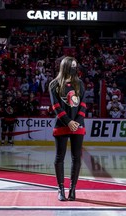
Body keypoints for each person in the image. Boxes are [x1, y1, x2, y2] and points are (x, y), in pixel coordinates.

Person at [49, 56, 86, 201]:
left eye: (76, 65)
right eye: (73, 65)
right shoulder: (54, 84)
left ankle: (73, 189)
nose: (75, 68)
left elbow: (83, 105)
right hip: (62, 125)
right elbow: (56, 106)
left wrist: (76, 122)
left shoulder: (80, 84)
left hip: (78, 125)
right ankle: (60, 188)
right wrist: (68, 122)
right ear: (66, 66)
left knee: (76, 157)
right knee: (60, 157)